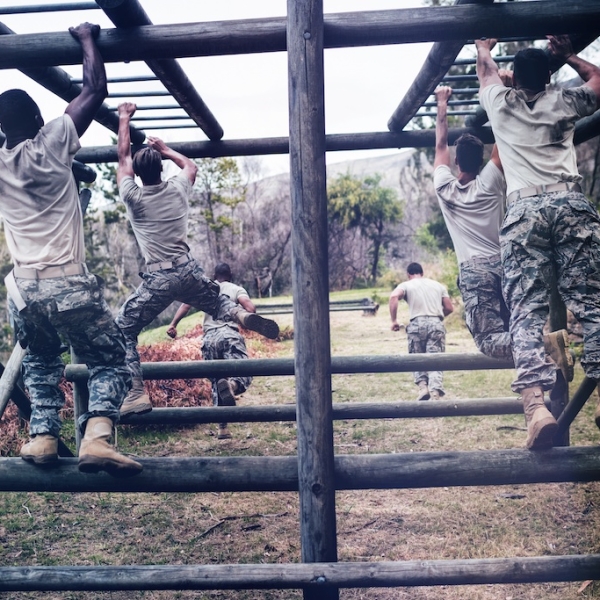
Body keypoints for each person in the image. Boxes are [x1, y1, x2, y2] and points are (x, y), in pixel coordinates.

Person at [0, 23, 142, 476]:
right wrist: (86, 39)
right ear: (41, 121)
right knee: (110, 357)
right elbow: (94, 88)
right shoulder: (55, 141)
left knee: (40, 360)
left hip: (22, 289)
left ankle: (42, 437)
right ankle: (97, 436)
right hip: (68, 282)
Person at [115, 102, 279, 418]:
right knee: (217, 303)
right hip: (188, 269)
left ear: (137, 174)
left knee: (122, 329)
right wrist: (165, 148)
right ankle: (242, 317)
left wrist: (124, 118)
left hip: (159, 277)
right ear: (162, 168)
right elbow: (190, 167)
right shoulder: (177, 188)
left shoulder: (133, 197)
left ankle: (134, 392)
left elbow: (122, 157)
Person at [476, 35, 600, 449]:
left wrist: (484, 49)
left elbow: (486, 72)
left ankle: (536, 409)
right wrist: (568, 56)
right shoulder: (563, 101)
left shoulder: (500, 104)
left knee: (526, 313)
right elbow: (598, 80)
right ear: (548, 78)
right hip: (568, 204)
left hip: (524, 212)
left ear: (515, 82)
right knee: (593, 303)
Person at [433, 85, 511, 361]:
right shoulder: (491, 181)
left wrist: (442, 103)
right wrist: (506, 92)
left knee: (489, 341)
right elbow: (504, 135)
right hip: (505, 264)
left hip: (475, 270)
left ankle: (540, 345)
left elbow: (440, 145)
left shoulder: (445, 188)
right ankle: (538, 355)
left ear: (456, 162)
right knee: (513, 325)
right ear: (482, 161)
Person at [167, 263, 254, 440]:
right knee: (244, 371)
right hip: (229, 335)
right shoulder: (236, 289)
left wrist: (173, 324)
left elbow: (185, 306)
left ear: (215, 276)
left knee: (216, 382)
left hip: (209, 339)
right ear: (231, 274)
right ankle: (233, 386)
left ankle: (223, 429)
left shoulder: (205, 289)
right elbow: (250, 309)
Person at [389, 263, 454, 401]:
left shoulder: (406, 285)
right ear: (422, 273)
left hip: (416, 324)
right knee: (436, 358)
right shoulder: (438, 285)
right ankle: (435, 391)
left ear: (408, 274)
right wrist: (436, 316)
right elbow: (449, 308)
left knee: (416, 357)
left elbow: (394, 296)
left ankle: (423, 387)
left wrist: (394, 320)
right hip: (436, 323)